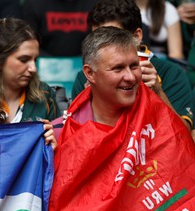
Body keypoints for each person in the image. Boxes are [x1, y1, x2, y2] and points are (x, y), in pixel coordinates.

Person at [38, 26, 195, 211]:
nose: (130, 77)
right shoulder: (60, 135)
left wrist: (159, 93)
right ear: (90, 74)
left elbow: (185, 158)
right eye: (118, 68)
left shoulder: (153, 107)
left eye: (134, 66)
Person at [71, 0, 194, 136]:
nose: (102, 47)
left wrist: (158, 93)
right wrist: (90, 100)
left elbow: (184, 138)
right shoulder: (88, 75)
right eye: (96, 39)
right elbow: (78, 139)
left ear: (137, 36)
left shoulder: (171, 73)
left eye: (113, 38)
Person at [0, 18, 61, 123]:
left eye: (35, 60)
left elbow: (60, 136)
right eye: (24, 60)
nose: (33, 69)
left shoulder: (45, 94)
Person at [22, 0, 98, 56]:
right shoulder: (33, 3)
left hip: (87, 62)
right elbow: (27, 43)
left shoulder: (96, 3)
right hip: (44, 64)